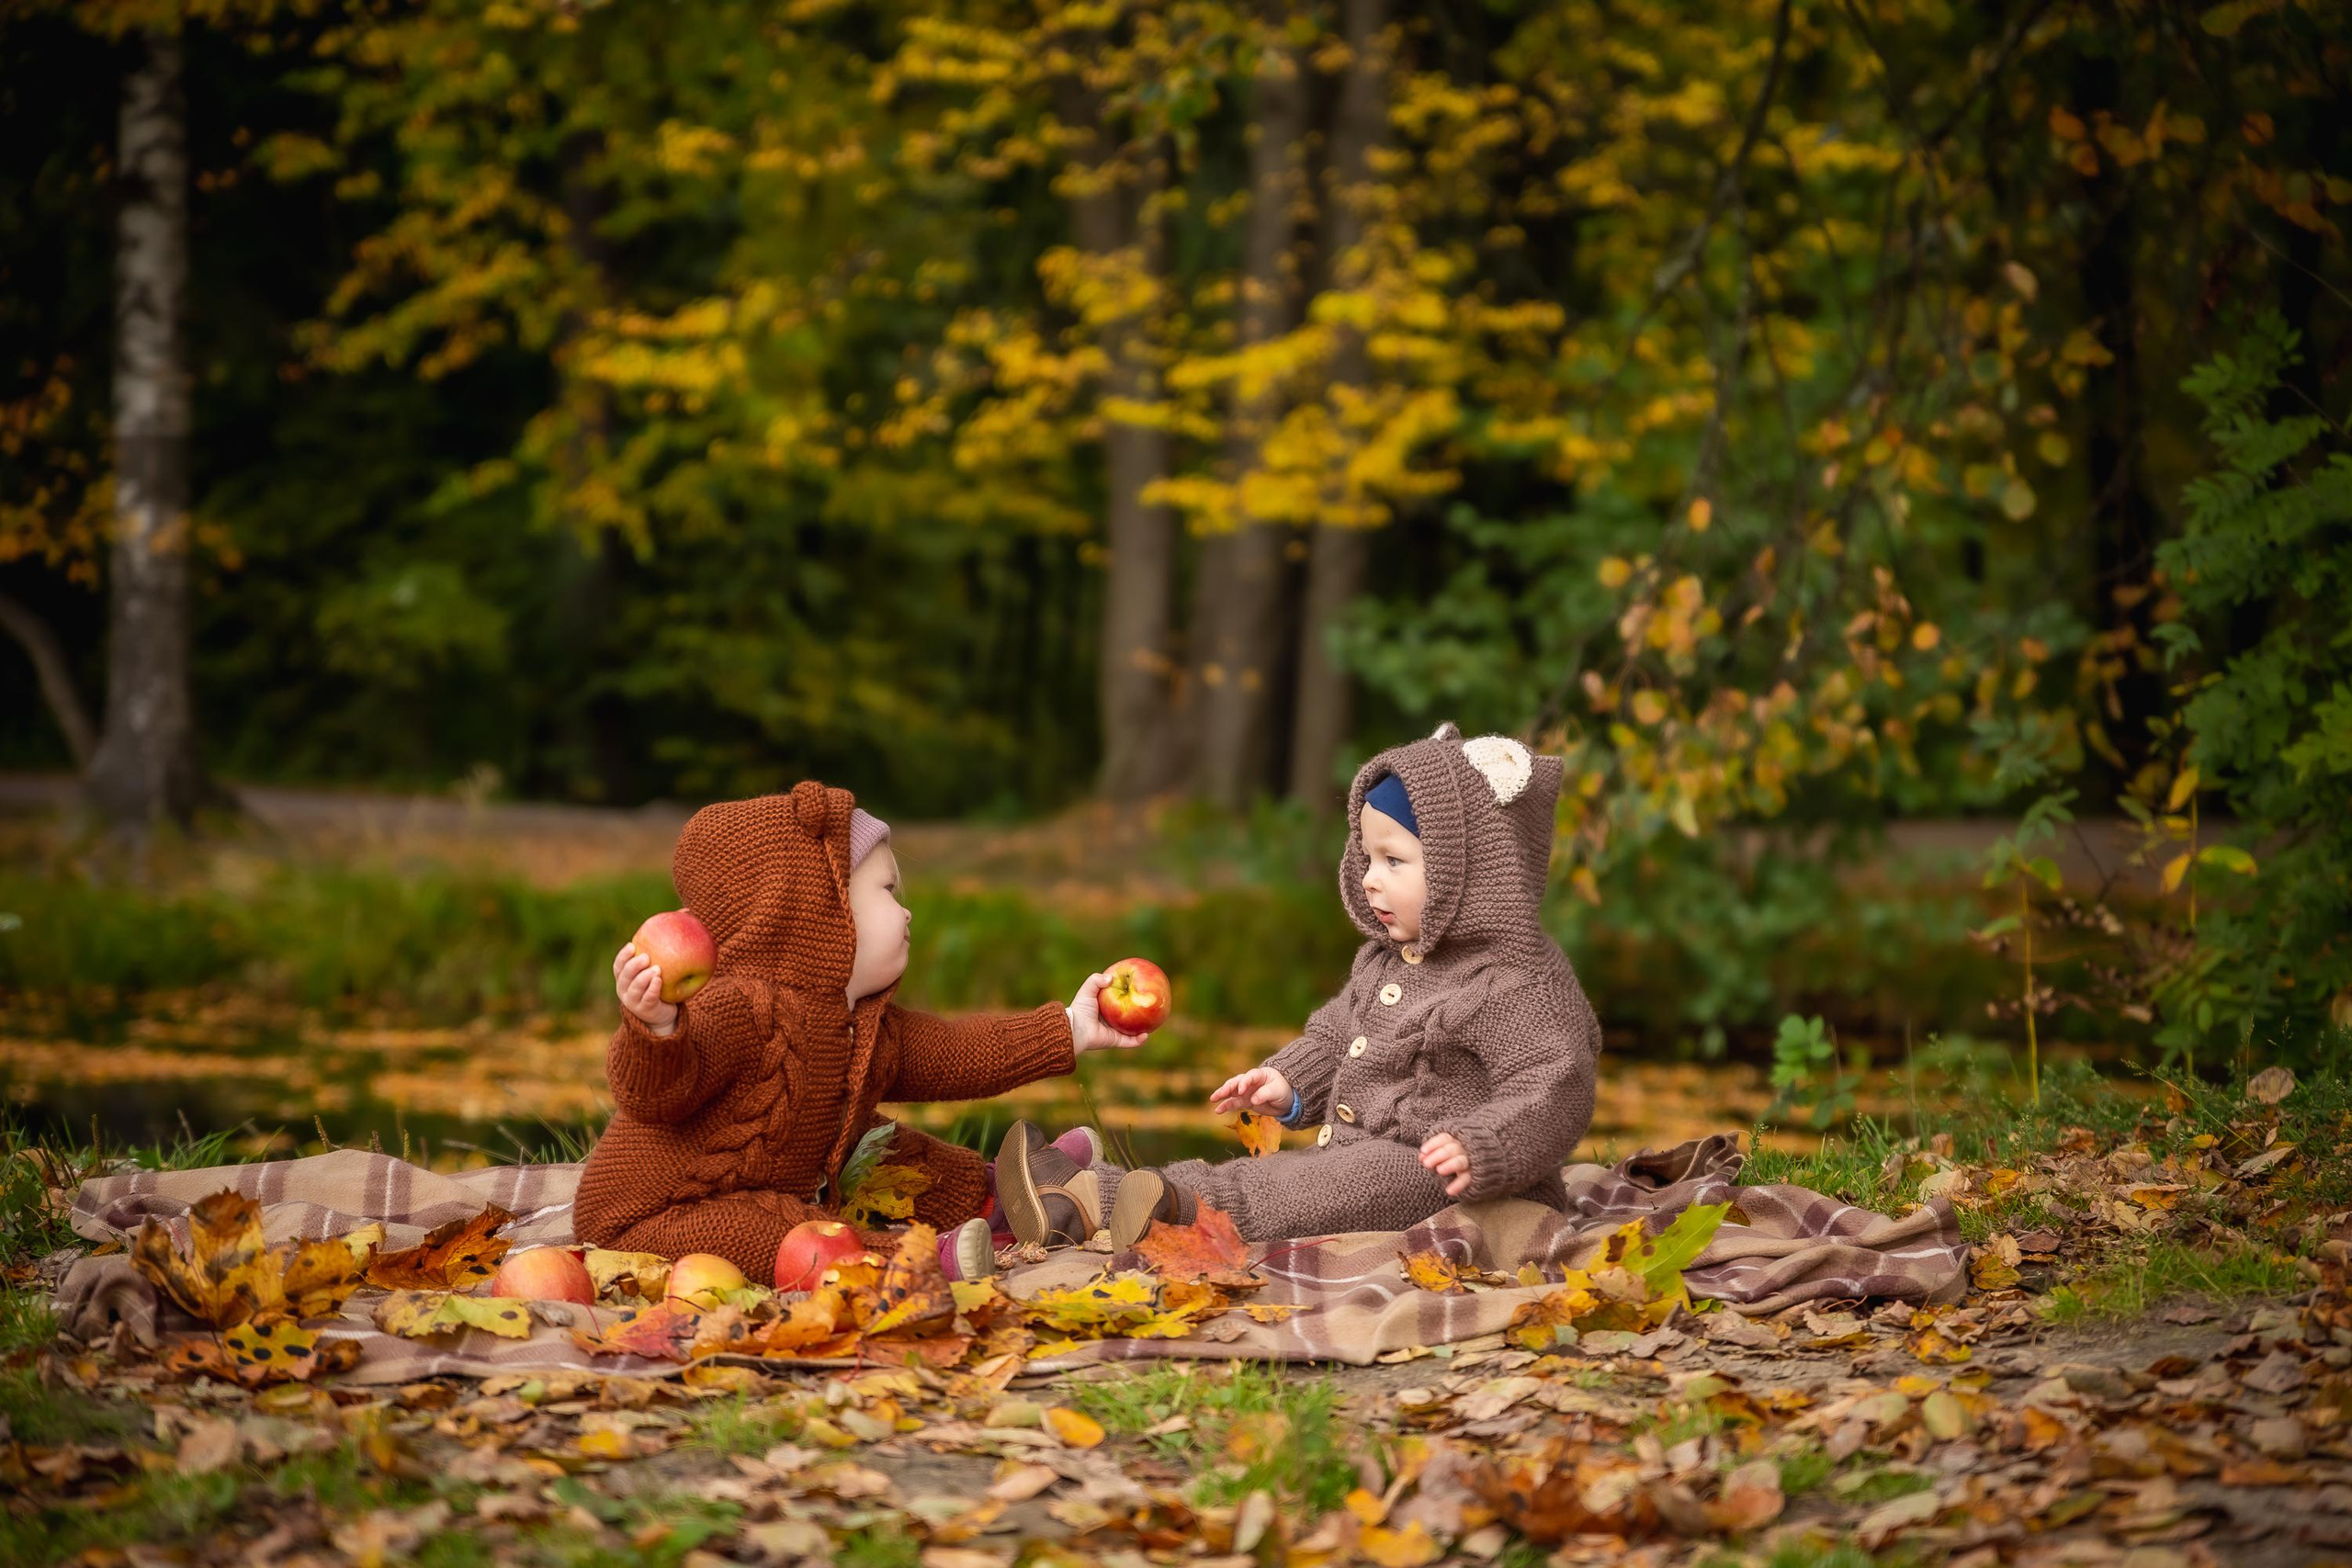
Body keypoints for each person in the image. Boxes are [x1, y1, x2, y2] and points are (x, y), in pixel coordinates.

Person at [995, 723, 1600, 1248]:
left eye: (1394, 861)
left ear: (1466, 870)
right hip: (1362, 1158)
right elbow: (1339, 1034)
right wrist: (1288, 1084)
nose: (1368, 879)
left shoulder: (1517, 978)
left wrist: (1483, 1144)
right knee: (1299, 1184)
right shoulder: (1386, 960)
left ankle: (1100, 1201)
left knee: (1307, 1187)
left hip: (1458, 1179)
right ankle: (1136, 1197)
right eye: (1365, 858)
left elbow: (1555, 1084)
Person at [571, 781, 1146, 1286]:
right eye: (889, 892)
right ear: (819, 911)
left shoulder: (864, 1026)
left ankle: (1001, 1194)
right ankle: (911, 1260)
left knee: (883, 1147)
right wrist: (658, 1029)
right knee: (779, 1225)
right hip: (656, 1212)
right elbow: (654, 1096)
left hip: (795, 1171)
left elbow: (958, 1054)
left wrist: (1068, 1029)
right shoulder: (737, 1008)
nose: (907, 912)